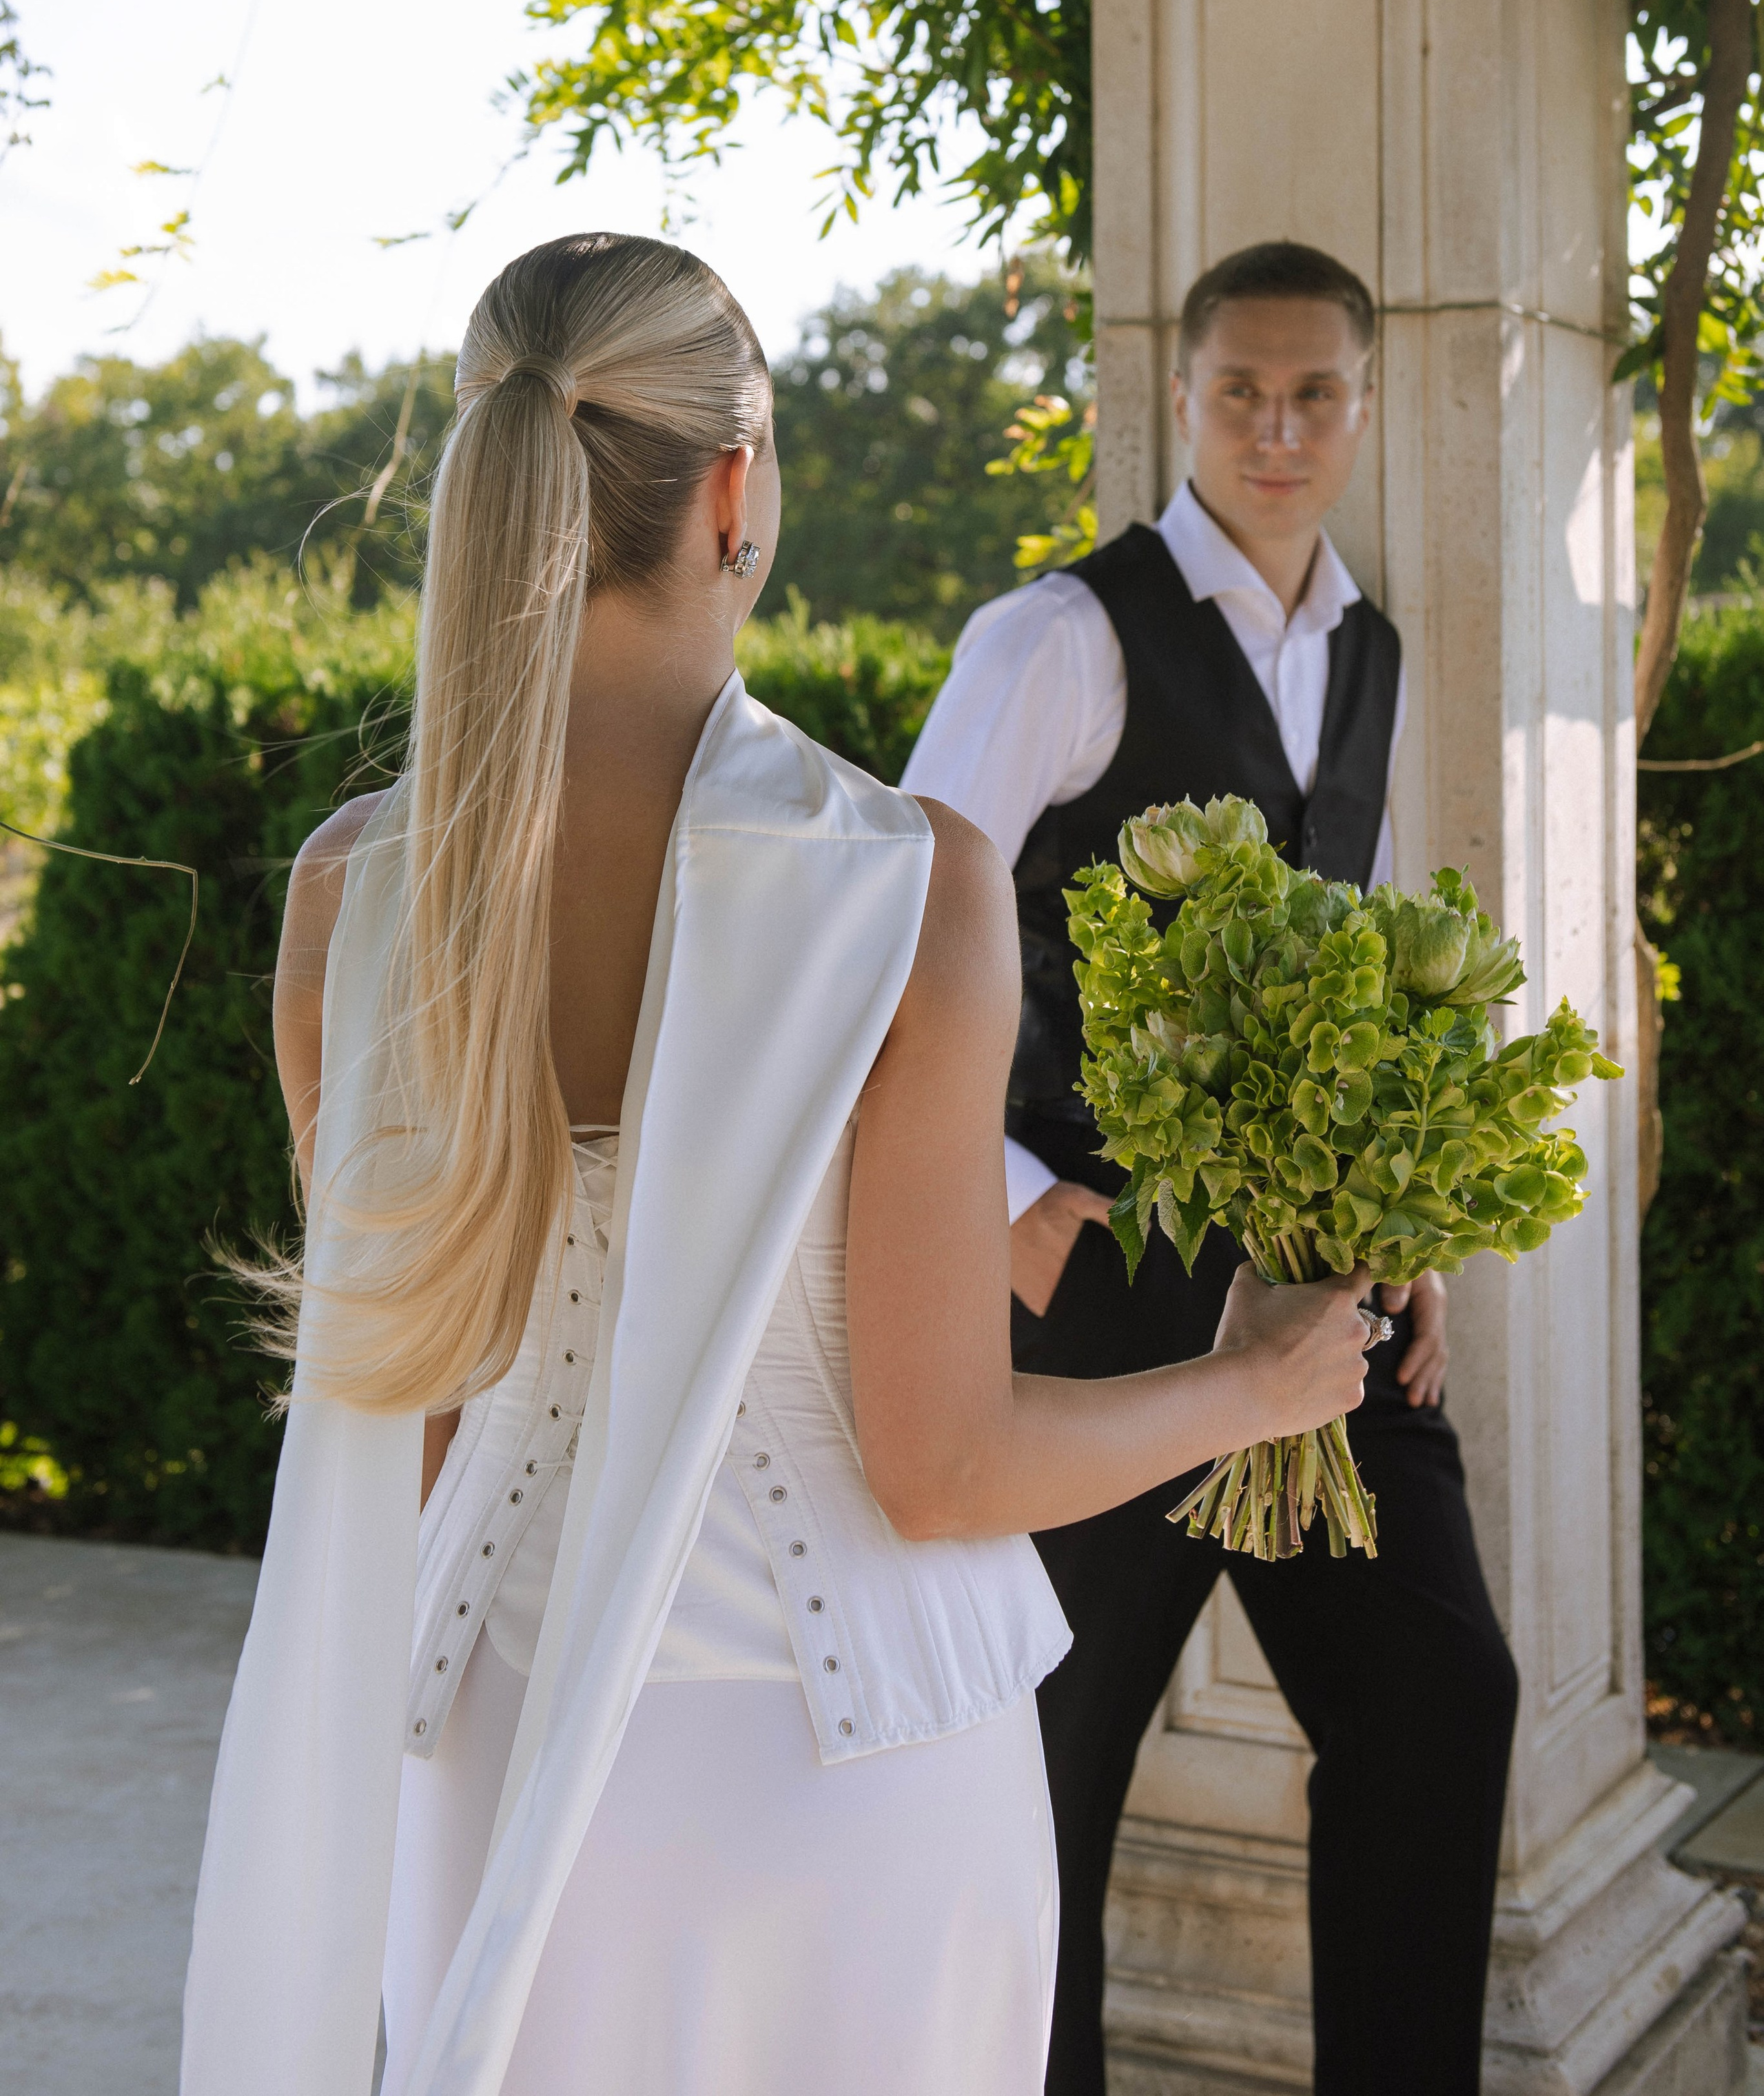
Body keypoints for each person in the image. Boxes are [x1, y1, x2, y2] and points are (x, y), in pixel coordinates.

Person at [179, 232, 1376, 2096]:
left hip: (488, 1752)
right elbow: (943, 1458)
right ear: (737, 488)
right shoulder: (907, 883)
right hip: (850, 1770)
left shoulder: (353, 889)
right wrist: (1262, 1378)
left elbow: (405, 1436)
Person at [903, 239, 1521, 2096]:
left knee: (1441, 1696)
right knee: (1044, 1789)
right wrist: (1010, 1203)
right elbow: (891, 935)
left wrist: (1410, 1237)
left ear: (1361, 403)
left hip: (1318, 1295)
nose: (1276, 427)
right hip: (1096, 1310)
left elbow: (1373, 962)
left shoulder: (1373, 651)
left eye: (1313, 391)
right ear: (1179, 399)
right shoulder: (1056, 639)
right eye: (1239, 391)